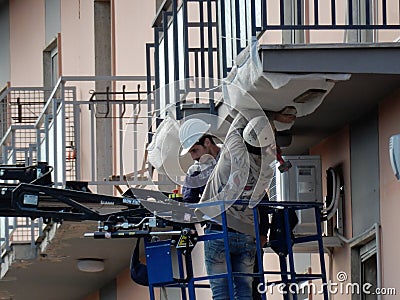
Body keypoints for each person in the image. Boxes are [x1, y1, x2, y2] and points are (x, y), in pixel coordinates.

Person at [179, 114, 275, 300]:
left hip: (224, 232)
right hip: (241, 231)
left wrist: (263, 231)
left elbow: (261, 196)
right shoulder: (198, 170)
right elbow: (188, 202)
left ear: (207, 142)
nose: (193, 157)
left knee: (233, 289)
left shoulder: (232, 156)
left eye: (194, 151)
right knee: (244, 289)